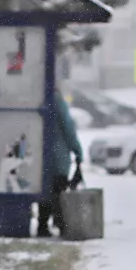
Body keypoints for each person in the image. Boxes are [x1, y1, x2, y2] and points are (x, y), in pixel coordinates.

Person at [38, 89, 83, 237]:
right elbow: (68, 128)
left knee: (43, 190)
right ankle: (61, 224)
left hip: (38, 155)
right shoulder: (56, 100)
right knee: (58, 191)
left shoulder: (36, 96)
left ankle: (42, 225)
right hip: (57, 157)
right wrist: (77, 151)